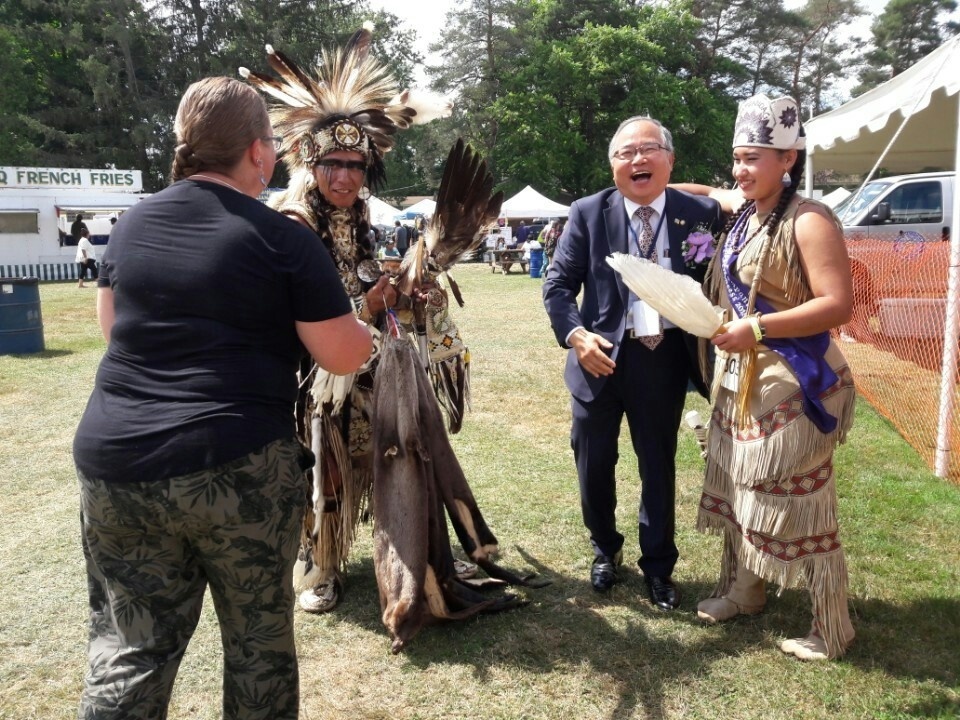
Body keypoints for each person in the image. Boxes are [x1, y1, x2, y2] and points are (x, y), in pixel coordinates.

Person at [72, 76, 372, 719]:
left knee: (130, 648)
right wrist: (368, 324)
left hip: (117, 462)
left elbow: (112, 330)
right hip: (236, 466)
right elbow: (343, 355)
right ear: (258, 152)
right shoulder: (282, 238)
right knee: (257, 648)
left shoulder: (131, 225)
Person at [243, 28, 479, 615]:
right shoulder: (292, 223)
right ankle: (318, 563)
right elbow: (287, 317)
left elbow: (367, 286)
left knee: (399, 451)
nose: (345, 177)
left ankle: (408, 547)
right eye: (333, 165)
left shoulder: (361, 220)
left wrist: (405, 293)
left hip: (367, 365)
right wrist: (366, 306)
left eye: (355, 166)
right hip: (311, 380)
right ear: (310, 161)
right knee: (325, 468)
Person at [678, 94, 857, 661]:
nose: (741, 170)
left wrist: (755, 327)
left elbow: (837, 304)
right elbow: (703, 191)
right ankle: (744, 590)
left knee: (802, 501)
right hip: (743, 379)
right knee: (738, 487)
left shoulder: (808, 219)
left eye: (753, 158)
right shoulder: (749, 209)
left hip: (796, 379)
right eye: (737, 158)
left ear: (788, 159)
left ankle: (830, 626)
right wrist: (652, 184)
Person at [542, 115, 724, 610]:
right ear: (612, 165)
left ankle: (659, 566)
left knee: (658, 466)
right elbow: (558, 285)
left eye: (648, 150)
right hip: (598, 359)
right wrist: (577, 336)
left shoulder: (701, 214)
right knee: (593, 463)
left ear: (670, 159)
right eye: (625, 153)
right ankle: (605, 549)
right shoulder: (588, 212)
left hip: (662, 360)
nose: (637, 160)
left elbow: (720, 275)